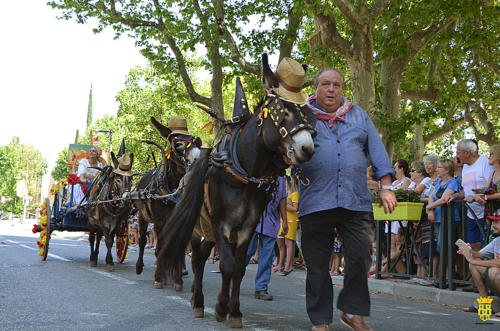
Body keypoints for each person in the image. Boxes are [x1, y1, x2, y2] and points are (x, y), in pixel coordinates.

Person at [298, 68, 396, 331]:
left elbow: (377, 151)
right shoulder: (302, 115)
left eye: (337, 85)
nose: (331, 89)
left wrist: (387, 187)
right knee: (317, 264)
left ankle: (352, 312)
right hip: (316, 200)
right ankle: (320, 320)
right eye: (326, 84)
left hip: (355, 200)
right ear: (316, 87)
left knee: (361, 255)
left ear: (343, 89)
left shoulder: (358, 115)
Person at [246, 176, 288, 301]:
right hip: (251, 219)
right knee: (246, 252)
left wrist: (285, 220)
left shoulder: (280, 177)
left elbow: (282, 198)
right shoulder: (257, 169)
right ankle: (234, 279)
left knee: (267, 257)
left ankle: (261, 288)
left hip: (271, 221)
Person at [449, 139, 495, 251]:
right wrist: (455, 196)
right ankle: (475, 268)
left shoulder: (485, 162)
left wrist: (478, 195)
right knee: (473, 249)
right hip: (471, 215)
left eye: (458, 152)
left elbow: (493, 187)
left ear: (467, 153)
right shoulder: (465, 167)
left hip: (486, 215)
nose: (457, 155)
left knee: (487, 250)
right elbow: (466, 190)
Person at [426, 159, 460, 279]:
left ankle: (446, 277)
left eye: (439, 167)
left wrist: (429, 207)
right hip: (437, 218)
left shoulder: (453, 182)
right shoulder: (439, 181)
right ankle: (440, 277)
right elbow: (431, 196)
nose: (436, 169)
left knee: (443, 246)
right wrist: (430, 210)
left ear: (446, 170)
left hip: (448, 219)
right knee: (438, 247)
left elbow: (444, 199)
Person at [459, 216, 500, 316]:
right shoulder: (497, 240)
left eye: (497, 222)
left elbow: (498, 263)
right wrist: (469, 251)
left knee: (493, 270)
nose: (493, 226)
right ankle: (484, 305)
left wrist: (473, 261)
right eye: (493, 222)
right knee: (473, 265)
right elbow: (479, 255)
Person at [274, 175, 300, 276]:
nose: (283, 184)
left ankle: (289, 266)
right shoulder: (283, 194)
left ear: (290, 183)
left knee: (289, 243)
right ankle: (280, 264)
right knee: (281, 244)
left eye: (285, 182)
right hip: (281, 220)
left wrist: (284, 204)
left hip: (291, 220)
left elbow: (295, 208)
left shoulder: (295, 193)